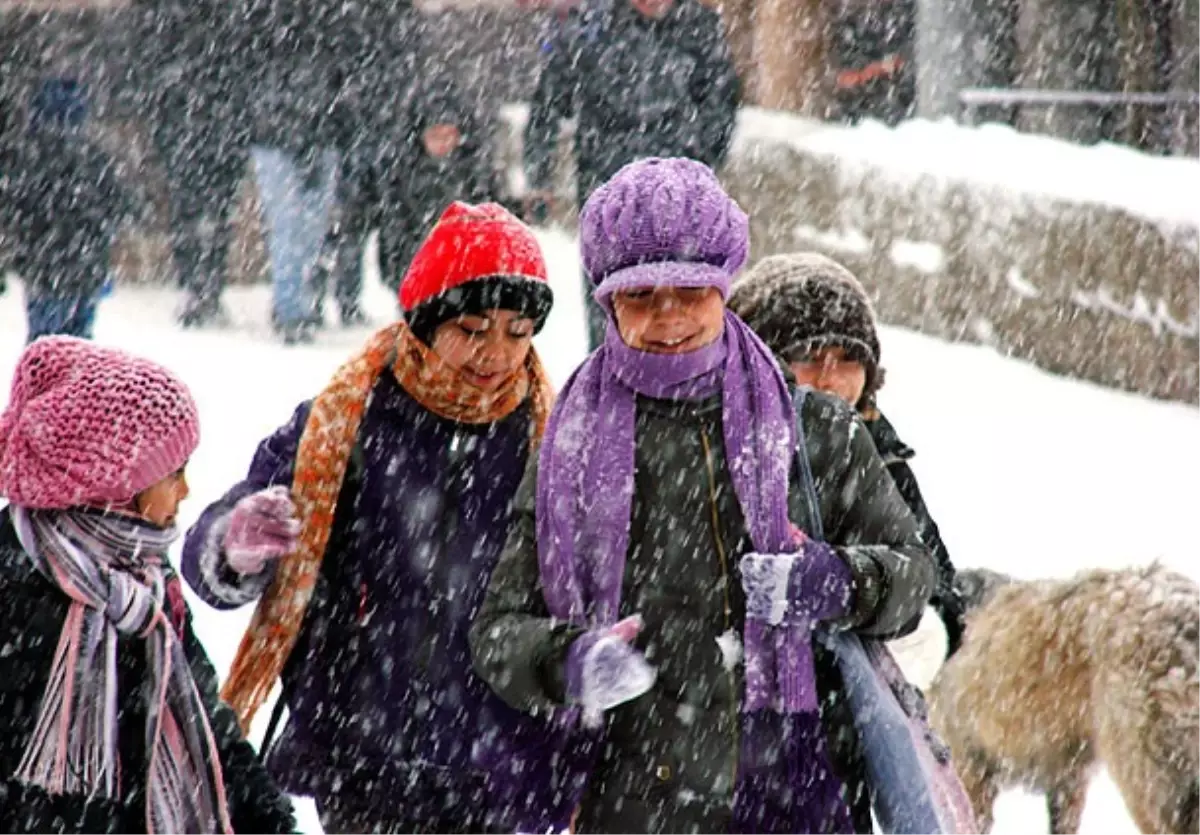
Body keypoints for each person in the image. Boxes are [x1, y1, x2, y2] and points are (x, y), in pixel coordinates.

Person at [470, 158, 935, 834]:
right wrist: (569, 659)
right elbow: (498, 630)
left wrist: (836, 582)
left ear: (723, 285)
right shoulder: (570, 446)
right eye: (640, 295)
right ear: (607, 301)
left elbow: (914, 575)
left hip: (795, 789)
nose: (668, 316)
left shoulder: (817, 429)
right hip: (634, 799)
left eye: (690, 290)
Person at [181, 202, 557, 834]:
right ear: (424, 323)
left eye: (518, 331)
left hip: (496, 742)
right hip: (365, 738)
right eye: (472, 327)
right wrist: (234, 541)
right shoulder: (345, 419)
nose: (496, 352)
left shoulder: (547, 431)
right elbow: (209, 548)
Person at [0, 336, 296, 833]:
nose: (186, 490)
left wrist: (270, 820)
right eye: (173, 473)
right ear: (115, 482)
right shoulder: (17, 586)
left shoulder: (147, 582)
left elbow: (207, 722)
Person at [728, 252, 966, 656]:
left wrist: (855, 590)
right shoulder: (723, 446)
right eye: (807, 356)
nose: (829, 379)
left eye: (848, 360)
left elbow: (935, 585)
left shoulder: (880, 455)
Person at [523, 0, 740, 350]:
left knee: (680, 298)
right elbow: (548, 102)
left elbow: (721, 99)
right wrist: (539, 175)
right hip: (606, 185)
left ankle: (680, 380)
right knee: (610, 297)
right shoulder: (590, 26)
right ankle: (611, 377)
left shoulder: (697, 26)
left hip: (678, 192)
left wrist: (703, 167)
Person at [1, 79, 132, 342]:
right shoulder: (94, 158)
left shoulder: (29, 160)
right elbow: (120, 207)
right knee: (80, 345)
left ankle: (48, 382)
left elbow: (13, 211)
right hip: (86, 269)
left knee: (45, 345)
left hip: (45, 269)